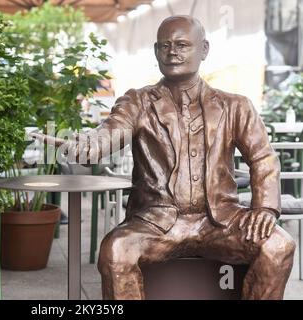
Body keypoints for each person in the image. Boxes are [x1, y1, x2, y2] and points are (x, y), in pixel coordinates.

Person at [31, 15, 296, 300]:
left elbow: (263, 159)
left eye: (182, 44)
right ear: (156, 51)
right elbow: (111, 131)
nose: (172, 52)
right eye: (164, 45)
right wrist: (89, 144)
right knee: (116, 251)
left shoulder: (237, 106)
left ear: (204, 49)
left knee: (278, 245)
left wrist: (265, 209)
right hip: (156, 222)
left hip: (221, 221)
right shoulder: (138, 101)